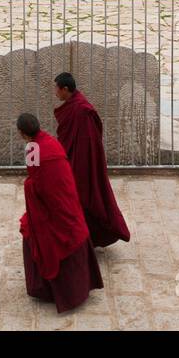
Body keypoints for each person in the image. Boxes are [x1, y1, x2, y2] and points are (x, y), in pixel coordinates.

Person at [17, 113, 103, 313]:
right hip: (66, 198)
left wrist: (29, 188)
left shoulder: (32, 148)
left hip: (49, 203)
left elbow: (34, 180)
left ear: (22, 133)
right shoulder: (51, 141)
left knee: (32, 231)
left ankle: (46, 290)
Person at [53, 72, 131, 248]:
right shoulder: (74, 106)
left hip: (82, 165)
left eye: (56, 88)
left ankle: (83, 239)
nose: (55, 92)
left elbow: (89, 143)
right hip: (72, 160)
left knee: (83, 199)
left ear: (65, 89)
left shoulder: (83, 111)